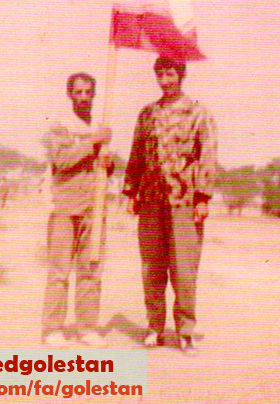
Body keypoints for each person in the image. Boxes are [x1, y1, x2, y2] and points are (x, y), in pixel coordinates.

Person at [123, 56, 217, 355]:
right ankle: (155, 326)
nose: (165, 81)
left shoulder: (198, 112)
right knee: (151, 267)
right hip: (151, 200)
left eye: (171, 74)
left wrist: (203, 198)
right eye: (160, 74)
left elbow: (208, 155)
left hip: (184, 201)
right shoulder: (147, 113)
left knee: (184, 270)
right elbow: (137, 152)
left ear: (182, 75)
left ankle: (186, 330)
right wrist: (131, 192)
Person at [41, 72, 113, 348]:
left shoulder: (99, 127)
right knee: (60, 271)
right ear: (70, 94)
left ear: (94, 95)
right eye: (78, 92)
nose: (84, 97)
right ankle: (53, 329)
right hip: (65, 207)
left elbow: (102, 167)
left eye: (88, 92)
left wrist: (107, 163)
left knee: (91, 271)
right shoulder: (60, 126)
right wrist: (92, 142)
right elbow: (61, 159)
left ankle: (87, 328)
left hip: (93, 208)